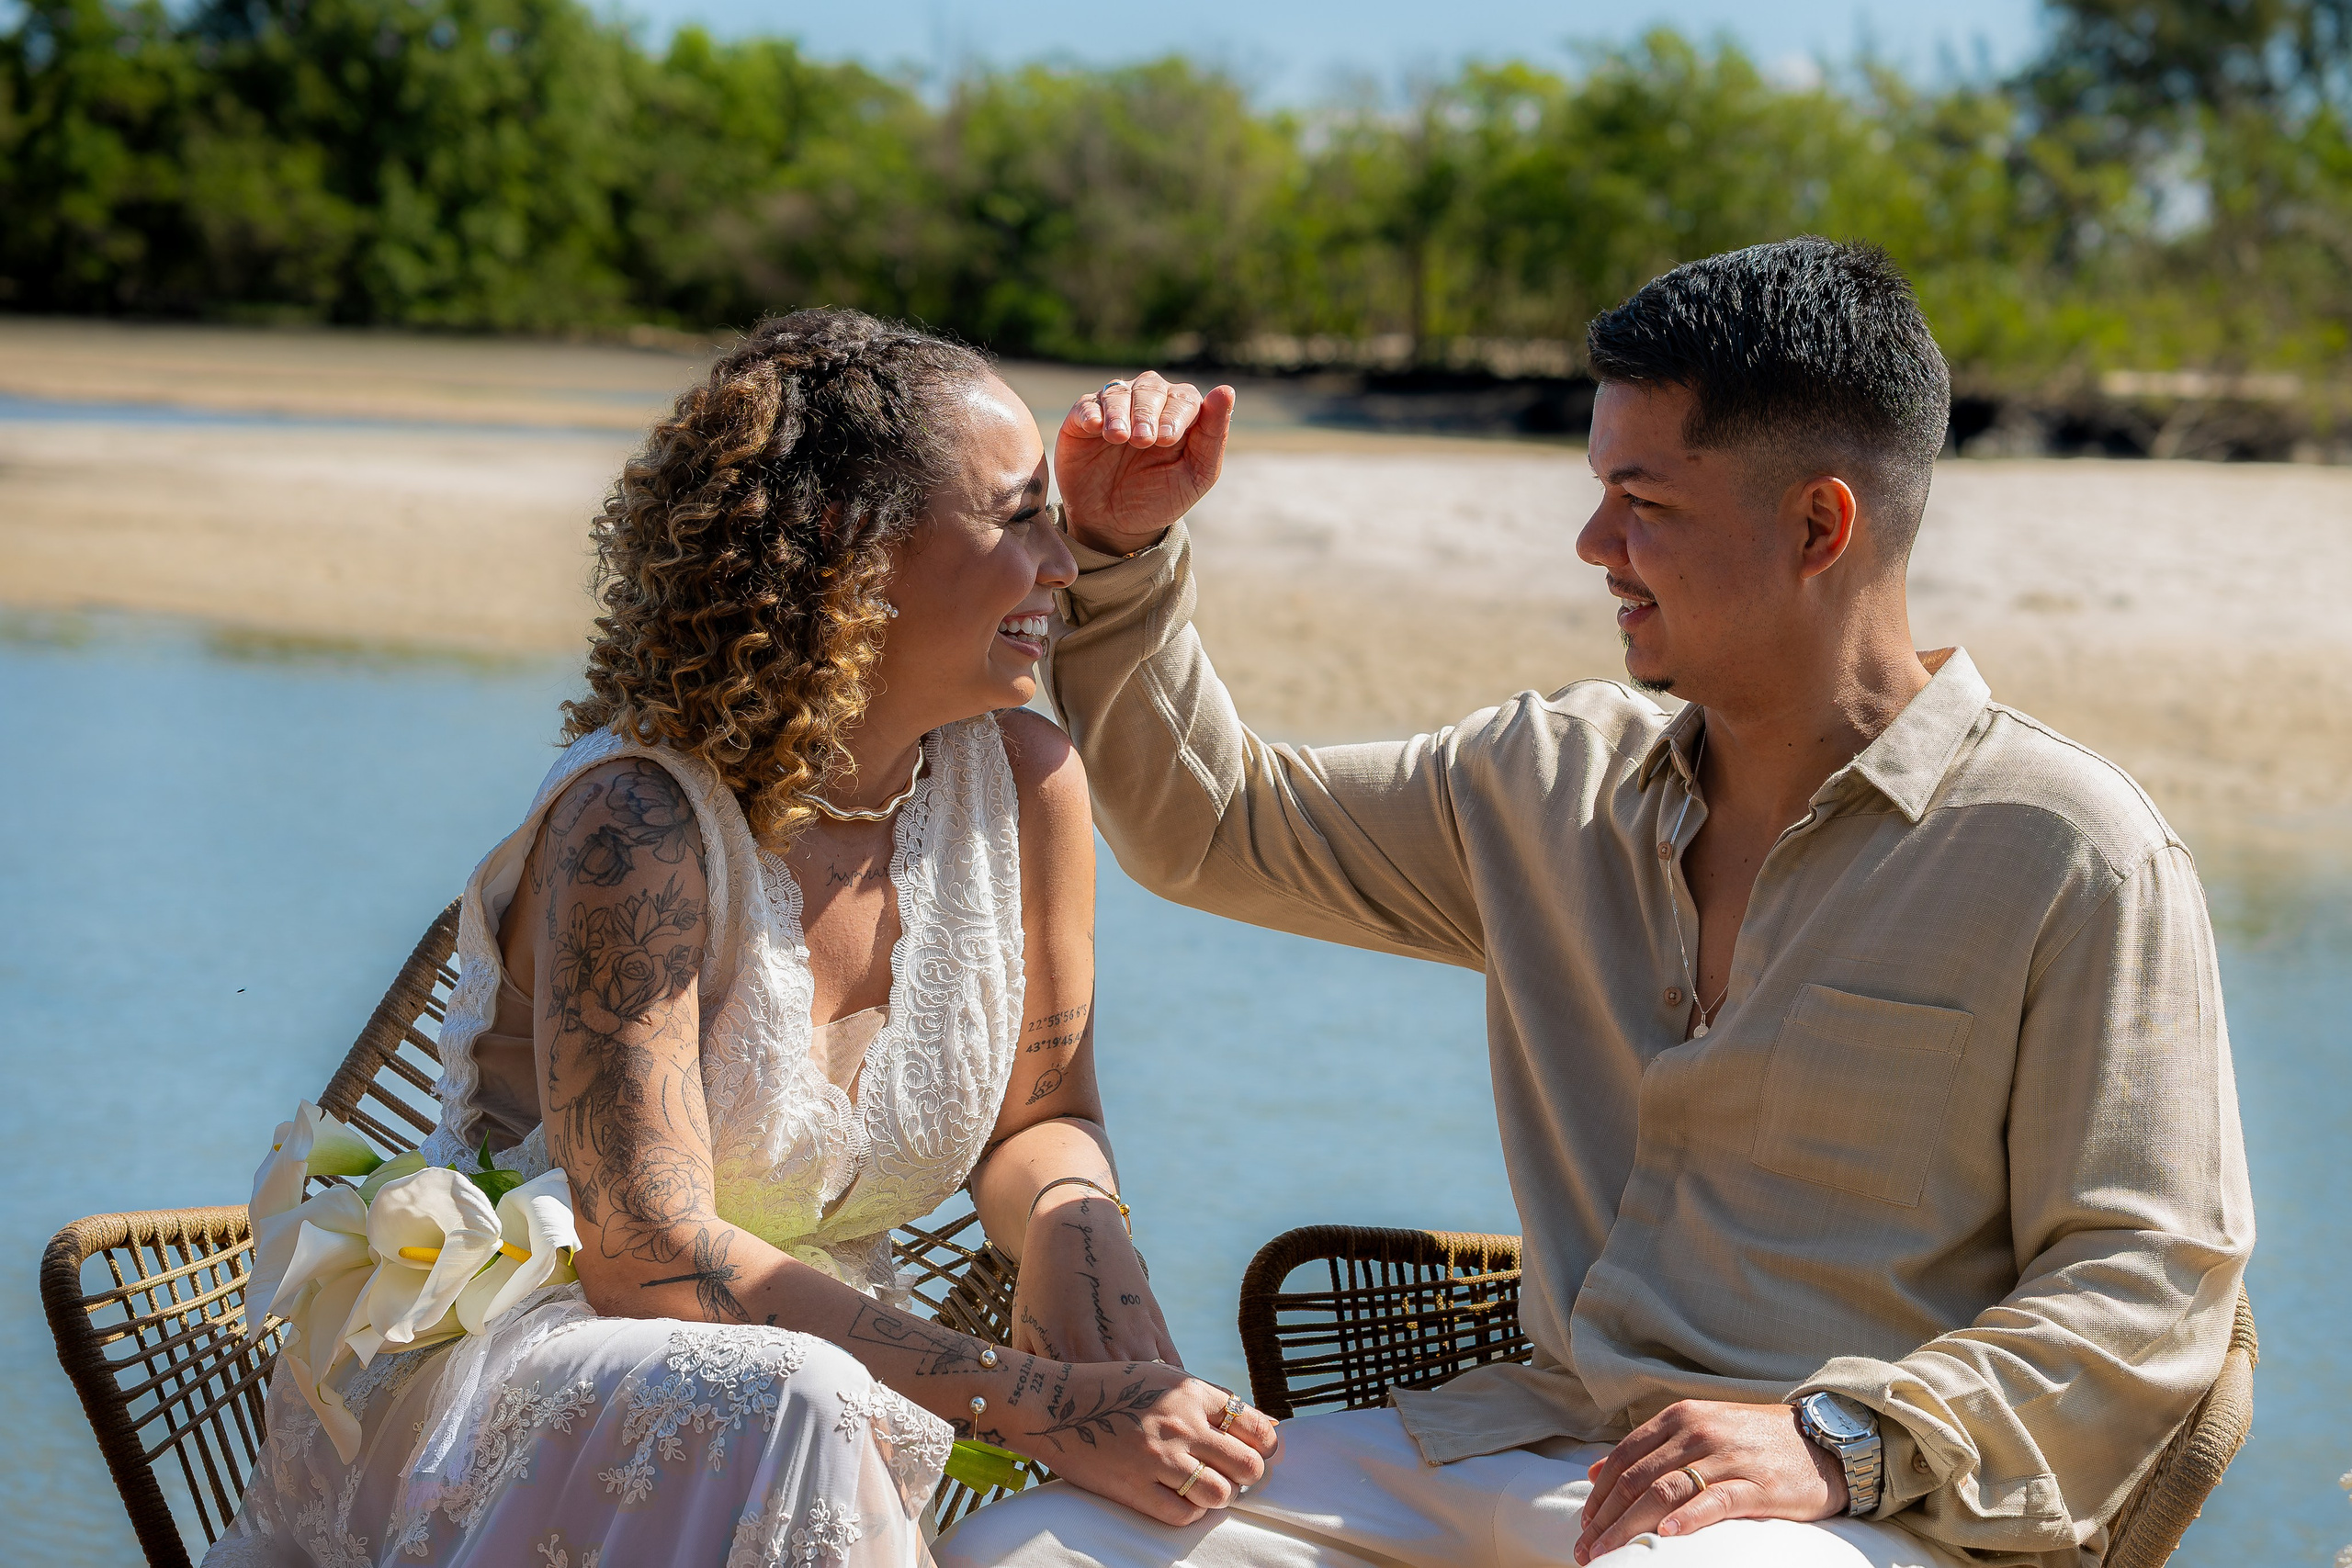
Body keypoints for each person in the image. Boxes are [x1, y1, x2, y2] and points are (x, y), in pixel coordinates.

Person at [936, 240, 2254, 1568]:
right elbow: (1218, 827)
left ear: (1819, 527)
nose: (1593, 545)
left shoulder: (2073, 852)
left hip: (1850, 1510)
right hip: (1516, 1441)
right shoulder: (1546, 780)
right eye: (1597, 491)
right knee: (1034, 1549)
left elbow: (2150, 1283)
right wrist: (1120, 548)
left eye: (1642, 500)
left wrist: (1841, 1439)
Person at [208, 309, 1280, 1568]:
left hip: (838, 1381)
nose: (1061, 564)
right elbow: (647, 1254)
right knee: (801, 1408)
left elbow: (1043, 1119)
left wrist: (1073, 1236)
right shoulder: (638, 821)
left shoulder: (1030, 787)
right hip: (547, 1373)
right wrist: (1043, 1403)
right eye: (1019, 518)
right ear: (849, 544)